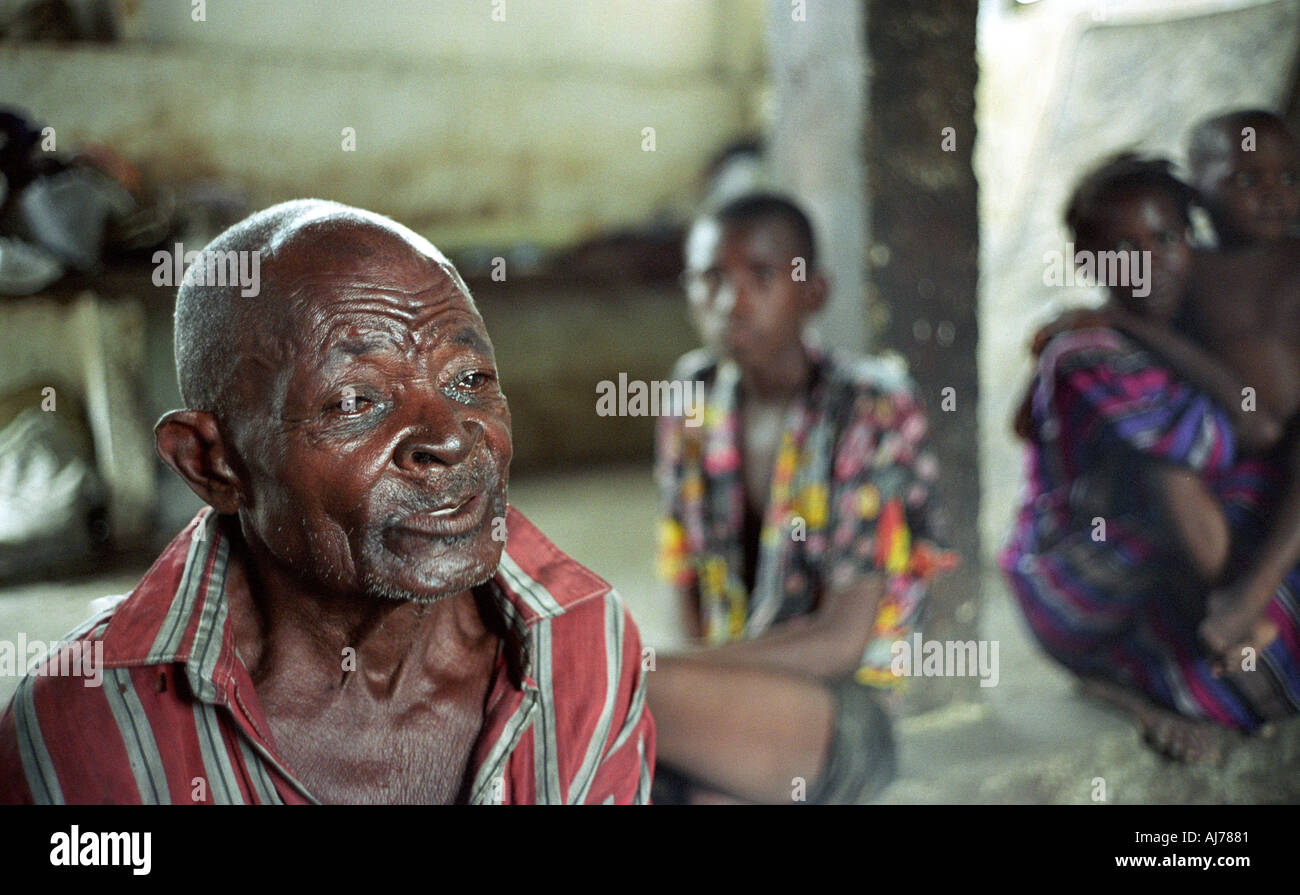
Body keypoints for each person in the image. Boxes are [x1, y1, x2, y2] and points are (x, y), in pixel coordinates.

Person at [0, 199, 654, 804]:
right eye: (354, 401)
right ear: (211, 462)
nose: (449, 437)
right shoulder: (88, 725)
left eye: (470, 379)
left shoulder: (582, 646)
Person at [651, 194, 953, 803]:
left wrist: (681, 676)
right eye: (711, 279)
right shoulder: (693, 392)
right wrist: (698, 684)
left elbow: (843, 641)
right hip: (742, 697)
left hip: (848, 712)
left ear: (813, 291)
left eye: (761, 276)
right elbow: (684, 571)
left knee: (620, 688)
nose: (731, 303)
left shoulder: (869, 407)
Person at [1002, 155, 1300, 762]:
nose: (1149, 261)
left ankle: (1142, 679)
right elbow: (1245, 433)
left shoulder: (1169, 331)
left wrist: (1127, 322)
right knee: (1171, 467)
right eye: (1122, 248)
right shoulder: (1089, 349)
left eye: (1165, 237)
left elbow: (1261, 427)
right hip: (1074, 579)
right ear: (1089, 263)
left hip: (1152, 582)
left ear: (1192, 240)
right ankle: (1227, 626)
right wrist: (1247, 599)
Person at [1187, 109, 1299, 248]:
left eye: (1289, 178)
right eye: (1247, 180)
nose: (1275, 194)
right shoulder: (1172, 264)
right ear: (1193, 188)